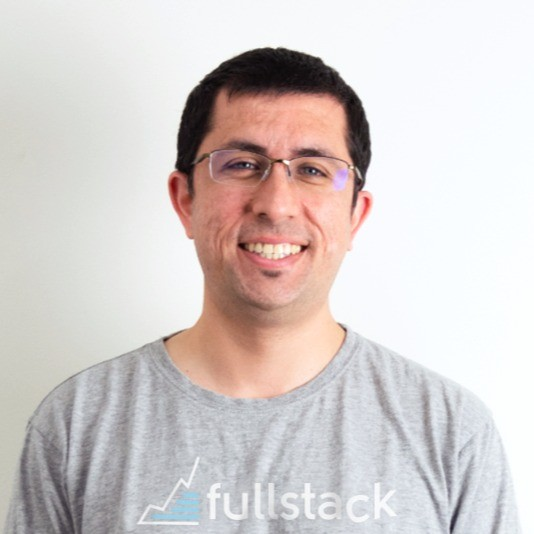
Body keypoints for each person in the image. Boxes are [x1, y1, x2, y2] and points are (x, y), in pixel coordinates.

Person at [5, 47, 520, 533]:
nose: (276, 204)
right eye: (242, 164)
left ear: (355, 215)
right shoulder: (78, 424)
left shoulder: (450, 431)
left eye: (313, 170)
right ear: (185, 200)